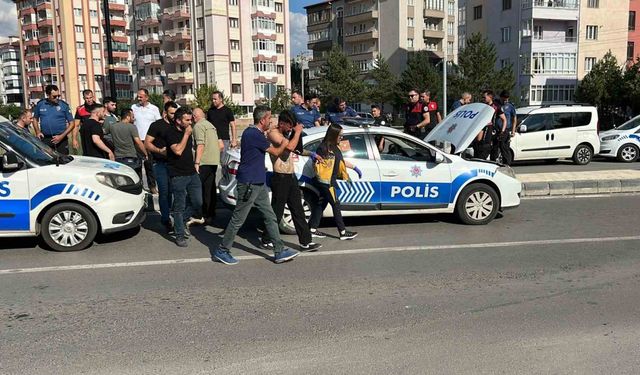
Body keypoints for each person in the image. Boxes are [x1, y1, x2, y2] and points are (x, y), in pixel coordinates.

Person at [213, 105, 300, 266]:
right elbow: (277, 152)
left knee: (270, 216)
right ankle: (222, 250)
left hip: (257, 183)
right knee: (238, 219)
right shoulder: (254, 134)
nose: (272, 121)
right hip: (249, 184)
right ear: (262, 120)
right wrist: (286, 138)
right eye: (269, 118)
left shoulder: (252, 133)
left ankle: (279, 251)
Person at [261, 110, 322, 252]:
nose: (290, 129)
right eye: (289, 126)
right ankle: (266, 238)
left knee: (298, 210)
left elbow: (297, 150)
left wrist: (311, 153)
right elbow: (288, 148)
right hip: (280, 177)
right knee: (277, 210)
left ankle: (306, 242)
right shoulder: (273, 133)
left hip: (291, 176)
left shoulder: (287, 134)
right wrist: (297, 132)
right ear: (282, 123)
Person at [308, 123, 359, 241]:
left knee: (322, 204)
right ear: (334, 134)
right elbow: (319, 164)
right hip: (326, 182)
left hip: (330, 180)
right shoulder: (324, 147)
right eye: (340, 135)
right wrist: (314, 157)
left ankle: (312, 229)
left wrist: (354, 168)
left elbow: (340, 162)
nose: (341, 137)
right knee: (336, 204)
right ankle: (342, 232)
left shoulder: (336, 147)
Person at [165, 107, 203, 248]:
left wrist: (196, 164)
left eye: (191, 119)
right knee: (179, 206)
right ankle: (179, 234)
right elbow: (178, 151)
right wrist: (186, 134)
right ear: (178, 120)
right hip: (178, 175)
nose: (190, 122)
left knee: (198, 202)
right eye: (187, 120)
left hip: (191, 172)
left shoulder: (188, 129)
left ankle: (182, 219)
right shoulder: (170, 132)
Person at [145, 101, 178, 233]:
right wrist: (159, 151)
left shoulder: (177, 125)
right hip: (160, 164)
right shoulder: (156, 125)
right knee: (164, 192)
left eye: (176, 113)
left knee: (174, 192)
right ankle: (166, 219)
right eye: (172, 113)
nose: (174, 116)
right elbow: (147, 143)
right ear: (165, 113)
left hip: (175, 164)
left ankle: (171, 216)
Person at [192, 108, 222, 225]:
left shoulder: (198, 126)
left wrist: (197, 162)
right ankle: (210, 214)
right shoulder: (211, 125)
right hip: (213, 161)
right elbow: (220, 145)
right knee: (209, 189)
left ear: (195, 117)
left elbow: (200, 145)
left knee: (197, 189)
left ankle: (199, 214)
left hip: (204, 161)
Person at [132, 89, 162, 194]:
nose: (139, 98)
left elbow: (158, 124)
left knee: (150, 165)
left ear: (147, 97)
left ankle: (152, 186)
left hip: (149, 141)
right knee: (137, 165)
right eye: (138, 96)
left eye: (141, 96)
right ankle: (139, 187)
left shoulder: (154, 109)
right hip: (137, 140)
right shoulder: (134, 108)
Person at [104, 108, 148, 179]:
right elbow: (138, 142)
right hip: (131, 157)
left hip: (118, 157)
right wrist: (145, 153)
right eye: (132, 116)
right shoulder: (132, 127)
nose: (134, 119)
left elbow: (104, 134)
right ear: (128, 117)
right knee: (135, 179)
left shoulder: (113, 126)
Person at [32, 84, 75, 155]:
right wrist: (37, 131)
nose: (57, 98)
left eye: (58, 96)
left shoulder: (64, 105)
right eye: (54, 96)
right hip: (45, 138)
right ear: (48, 95)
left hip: (61, 139)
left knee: (63, 160)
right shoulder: (40, 104)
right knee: (47, 161)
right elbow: (35, 119)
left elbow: (72, 123)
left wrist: (62, 136)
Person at [494, 90, 517, 165]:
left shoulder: (510, 106)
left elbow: (514, 118)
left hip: (505, 130)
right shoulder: (496, 104)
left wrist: (513, 131)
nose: (505, 101)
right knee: (494, 148)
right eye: (504, 99)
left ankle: (507, 164)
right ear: (500, 97)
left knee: (504, 148)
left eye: (507, 99)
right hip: (496, 129)